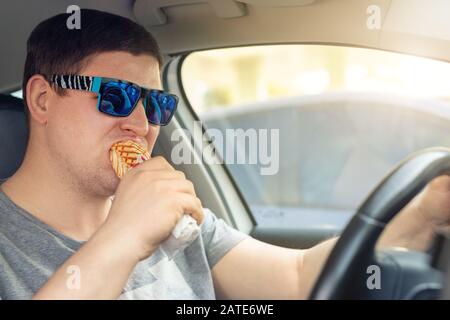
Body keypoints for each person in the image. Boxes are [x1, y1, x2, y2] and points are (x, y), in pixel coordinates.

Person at [0, 9, 449, 300]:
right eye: (116, 97)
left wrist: (426, 211)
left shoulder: (175, 222)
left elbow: (296, 278)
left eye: (157, 103)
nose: (141, 124)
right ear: (42, 100)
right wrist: (123, 237)